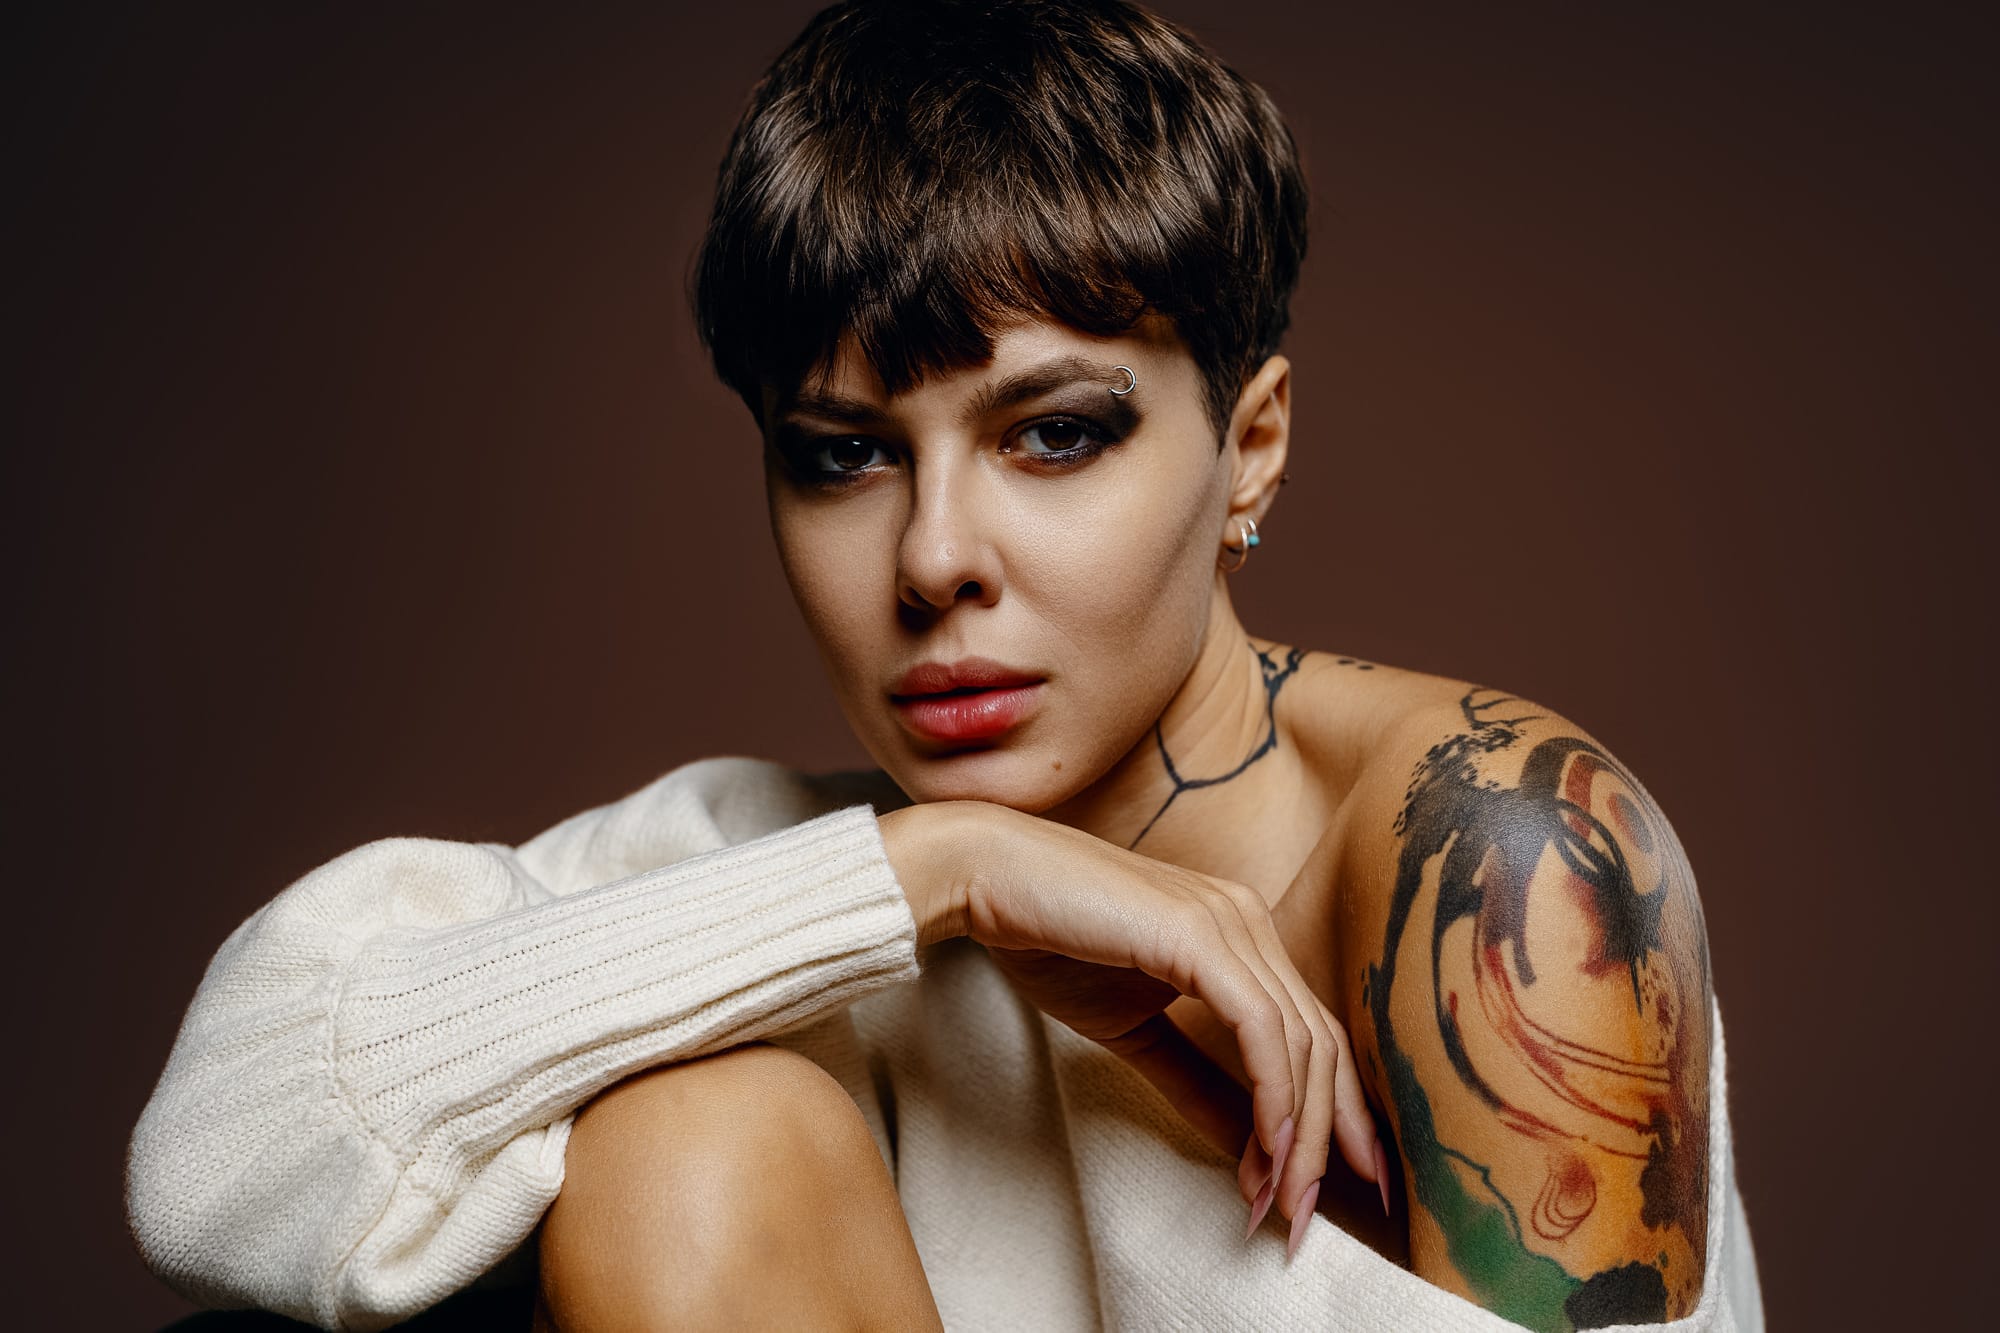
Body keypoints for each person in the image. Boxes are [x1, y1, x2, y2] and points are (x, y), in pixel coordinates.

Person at [127, 2, 1763, 1329]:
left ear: (1250, 445)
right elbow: (216, 1150)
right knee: (694, 1142)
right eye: (844, 454)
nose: (930, 558)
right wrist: (940, 873)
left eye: (1052, 435)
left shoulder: (1493, 860)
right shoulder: (802, 864)